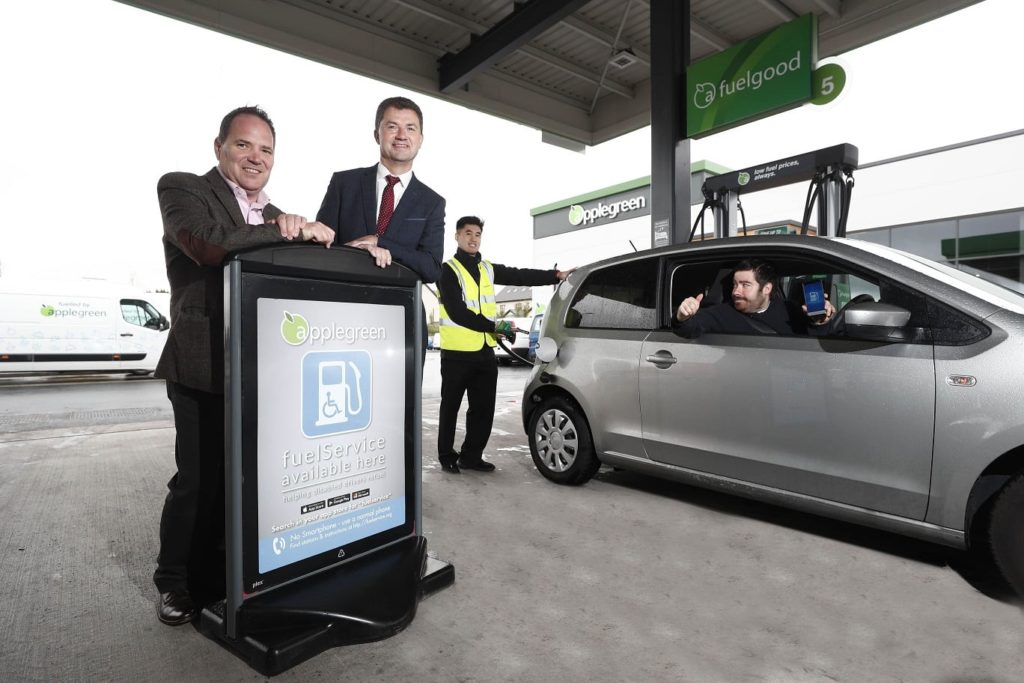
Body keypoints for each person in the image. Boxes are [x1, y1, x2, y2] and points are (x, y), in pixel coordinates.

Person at [153, 106, 335, 626]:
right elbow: (209, 245)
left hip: (263, 372)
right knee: (199, 480)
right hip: (202, 364)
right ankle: (173, 581)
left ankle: (228, 574)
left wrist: (347, 248)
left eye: (266, 149)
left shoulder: (278, 214)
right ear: (219, 148)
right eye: (243, 145)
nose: (256, 157)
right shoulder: (182, 188)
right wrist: (285, 231)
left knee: (248, 481)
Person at [437, 216, 573, 473]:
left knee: (483, 409)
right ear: (457, 236)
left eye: (477, 234)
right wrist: (495, 327)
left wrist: (556, 275)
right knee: (450, 408)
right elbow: (457, 312)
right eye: (467, 233)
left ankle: (471, 456)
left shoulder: (487, 268)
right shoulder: (447, 270)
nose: (473, 238)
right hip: (456, 354)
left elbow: (520, 275)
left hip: (484, 352)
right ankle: (446, 456)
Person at [674, 258, 834, 338]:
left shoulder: (790, 310)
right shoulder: (721, 313)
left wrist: (821, 321)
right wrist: (683, 316)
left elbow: (818, 340)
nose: (736, 291)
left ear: (766, 288)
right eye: (735, 284)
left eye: (745, 285)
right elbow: (688, 329)